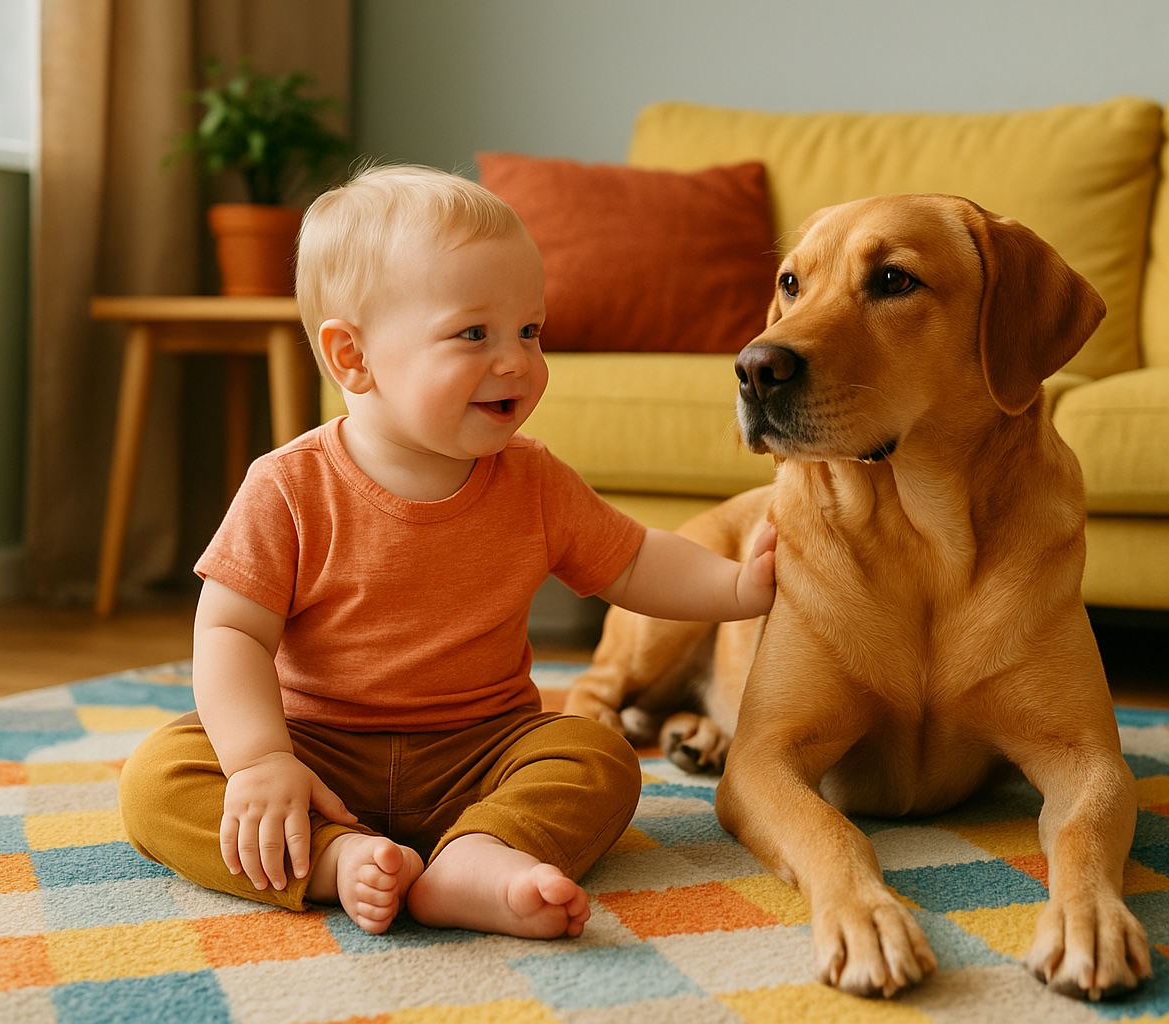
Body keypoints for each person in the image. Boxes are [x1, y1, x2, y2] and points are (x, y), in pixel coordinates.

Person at [119, 164, 776, 940]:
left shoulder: (533, 479)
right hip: (316, 753)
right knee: (159, 780)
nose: (518, 363)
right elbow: (231, 632)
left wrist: (739, 586)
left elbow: (633, 562)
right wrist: (262, 761)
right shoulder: (289, 487)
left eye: (529, 331)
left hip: (480, 751)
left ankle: (479, 855)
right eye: (475, 334)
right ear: (352, 358)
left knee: (598, 755)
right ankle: (333, 860)